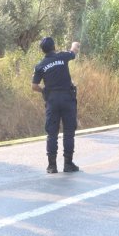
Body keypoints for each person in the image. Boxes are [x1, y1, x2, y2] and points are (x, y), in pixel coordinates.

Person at [31, 37, 81, 174]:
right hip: (67, 99)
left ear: (42, 50)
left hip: (52, 100)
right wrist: (75, 44)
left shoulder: (40, 65)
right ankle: (68, 164)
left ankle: (52, 166)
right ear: (54, 46)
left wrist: (44, 90)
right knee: (69, 133)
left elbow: (34, 86)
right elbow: (73, 51)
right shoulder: (63, 57)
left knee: (52, 134)